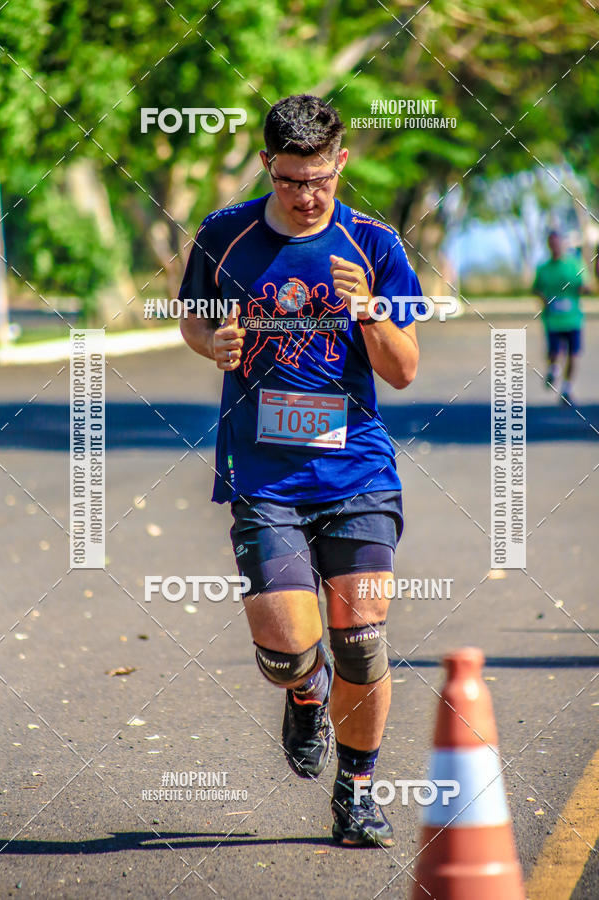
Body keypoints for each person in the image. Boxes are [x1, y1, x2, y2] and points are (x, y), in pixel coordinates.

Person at [179, 94, 421, 847]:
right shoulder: (226, 234)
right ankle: (308, 696)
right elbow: (193, 313)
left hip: (357, 472)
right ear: (266, 166)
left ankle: (358, 791)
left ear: (340, 161)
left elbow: (405, 371)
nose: (306, 194)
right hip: (264, 475)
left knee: (361, 640)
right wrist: (209, 343)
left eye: (319, 178)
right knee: (288, 653)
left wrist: (370, 313)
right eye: (290, 180)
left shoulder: (373, 244)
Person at [533, 230, 590, 406]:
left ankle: (567, 388)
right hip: (553, 319)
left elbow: (585, 285)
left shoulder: (574, 265)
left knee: (573, 355)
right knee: (554, 352)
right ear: (549, 246)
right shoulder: (543, 269)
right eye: (552, 244)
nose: (555, 247)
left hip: (573, 318)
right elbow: (536, 288)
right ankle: (554, 369)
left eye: (557, 243)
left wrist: (584, 289)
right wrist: (544, 298)